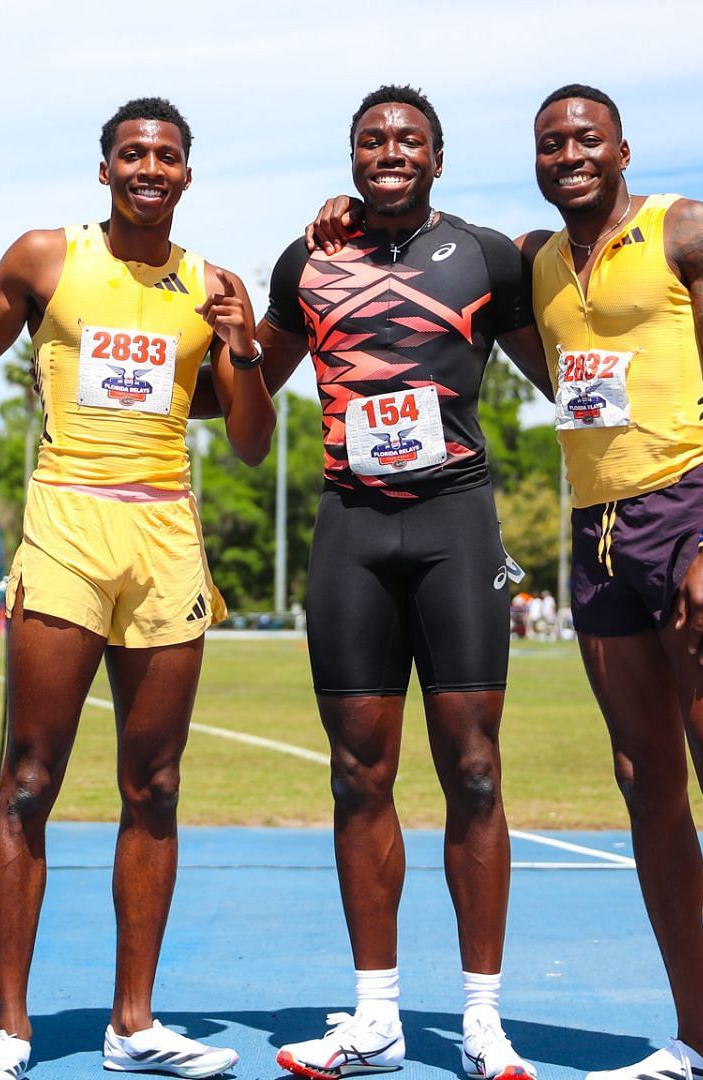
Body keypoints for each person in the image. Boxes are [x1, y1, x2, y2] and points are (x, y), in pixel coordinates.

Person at [0, 97, 274, 1080]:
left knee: (157, 786)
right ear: (105, 170)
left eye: (167, 156)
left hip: (165, 539)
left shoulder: (213, 286)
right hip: (65, 526)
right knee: (28, 782)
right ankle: (13, 1029)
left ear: (188, 175)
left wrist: (246, 343)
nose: (149, 166)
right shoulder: (46, 259)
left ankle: (132, 1024)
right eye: (132, 153)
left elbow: (253, 437)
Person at [516, 83, 703, 1080]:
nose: (570, 155)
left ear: (622, 147)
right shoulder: (536, 263)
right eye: (551, 144)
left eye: (586, 139)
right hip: (598, 533)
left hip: (689, 513)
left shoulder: (688, 229)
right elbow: (437, 255)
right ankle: (702, 1039)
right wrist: (339, 217)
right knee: (645, 783)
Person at [260, 85, 543, 1080]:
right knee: (358, 773)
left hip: (457, 526)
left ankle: (482, 1019)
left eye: (408, 137)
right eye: (372, 137)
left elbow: (564, 370)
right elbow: (256, 392)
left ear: (438, 154)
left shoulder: (489, 254)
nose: (390, 149)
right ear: (351, 155)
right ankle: (375, 1015)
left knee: (473, 769)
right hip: (348, 529)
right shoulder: (307, 260)